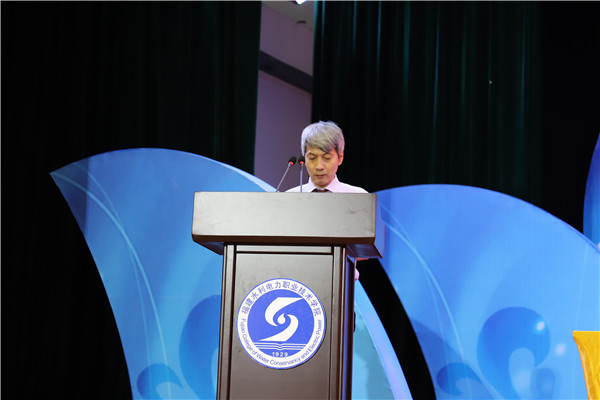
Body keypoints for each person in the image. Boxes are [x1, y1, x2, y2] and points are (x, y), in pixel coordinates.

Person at [287, 121, 368, 280]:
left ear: (340, 157)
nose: (319, 166)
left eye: (326, 158)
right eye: (312, 158)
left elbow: (366, 249)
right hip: (297, 281)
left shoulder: (358, 198)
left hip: (342, 284)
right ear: (304, 158)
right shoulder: (289, 198)